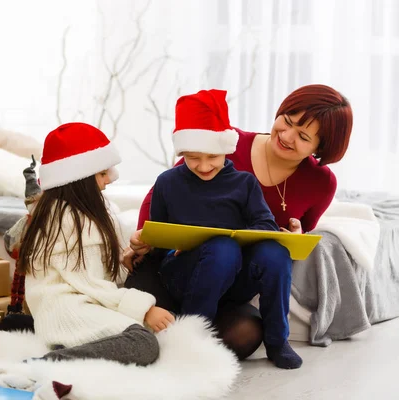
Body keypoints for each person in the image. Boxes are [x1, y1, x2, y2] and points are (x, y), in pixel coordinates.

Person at [125, 84, 353, 363]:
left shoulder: (317, 183)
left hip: (241, 274)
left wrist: (295, 236)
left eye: (303, 136)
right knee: (222, 249)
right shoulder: (220, 143)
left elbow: (296, 227)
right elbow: (162, 198)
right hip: (193, 264)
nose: (287, 135)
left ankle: (276, 341)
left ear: (320, 148)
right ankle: (191, 337)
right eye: (287, 121)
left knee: (273, 255)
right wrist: (146, 241)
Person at [18, 122, 175, 366]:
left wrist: (126, 257)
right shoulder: (67, 220)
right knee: (144, 344)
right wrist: (143, 309)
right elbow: (90, 284)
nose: (109, 180)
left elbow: (96, 275)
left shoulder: (78, 213)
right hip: (67, 310)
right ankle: (48, 362)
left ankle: (75, 353)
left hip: (82, 302)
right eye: (102, 174)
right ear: (77, 179)